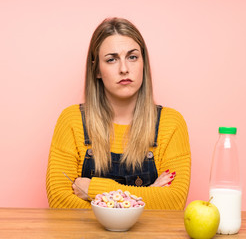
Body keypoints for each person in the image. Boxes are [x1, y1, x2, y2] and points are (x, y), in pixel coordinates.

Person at [46, 17, 191, 210]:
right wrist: (147, 197)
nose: (124, 69)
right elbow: (60, 201)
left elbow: (173, 202)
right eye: (111, 59)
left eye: (132, 57)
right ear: (96, 69)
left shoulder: (171, 123)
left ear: (143, 63)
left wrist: (93, 189)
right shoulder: (72, 121)